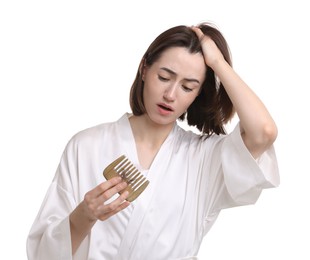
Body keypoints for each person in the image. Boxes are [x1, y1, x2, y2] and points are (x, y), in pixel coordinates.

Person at [26, 22, 280, 260]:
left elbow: (264, 132)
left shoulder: (205, 160)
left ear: (197, 94)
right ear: (144, 68)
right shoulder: (86, 146)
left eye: (188, 87)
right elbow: (42, 254)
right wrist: (84, 215)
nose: (170, 95)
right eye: (164, 77)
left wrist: (218, 63)